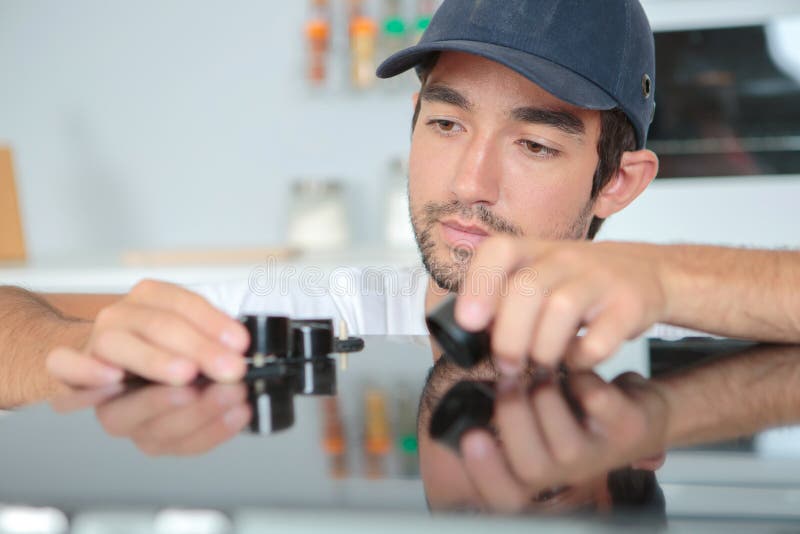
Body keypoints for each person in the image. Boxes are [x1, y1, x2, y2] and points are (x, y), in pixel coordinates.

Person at [1, 0, 800, 407]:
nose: (468, 182)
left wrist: (663, 280)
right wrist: (74, 349)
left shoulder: (679, 347)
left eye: (534, 144)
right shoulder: (312, 314)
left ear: (616, 182)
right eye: (447, 123)